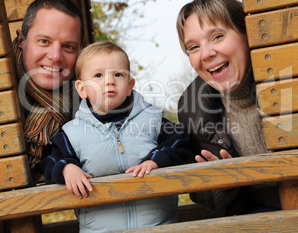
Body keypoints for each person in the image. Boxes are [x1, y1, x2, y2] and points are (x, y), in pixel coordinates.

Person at [176, 0, 298, 216]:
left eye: (217, 36)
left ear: (247, 33)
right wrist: (228, 183)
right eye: (193, 47)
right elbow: (207, 197)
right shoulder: (193, 110)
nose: (206, 54)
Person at [39, 41, 190, 232]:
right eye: (98, 75)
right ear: (82, 89)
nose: (109, 81)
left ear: (129, 86)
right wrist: (67, 168)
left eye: (118, 75)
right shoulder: (72, 133)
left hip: (157, 227)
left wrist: (156, 160)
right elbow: (49, 160)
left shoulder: (152, 119)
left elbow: (180, 140)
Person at [13, 0, 85, 174]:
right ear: (22, 40)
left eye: (68, 47)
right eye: (44, 41)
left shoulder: (91, 96)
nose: (55, 56)